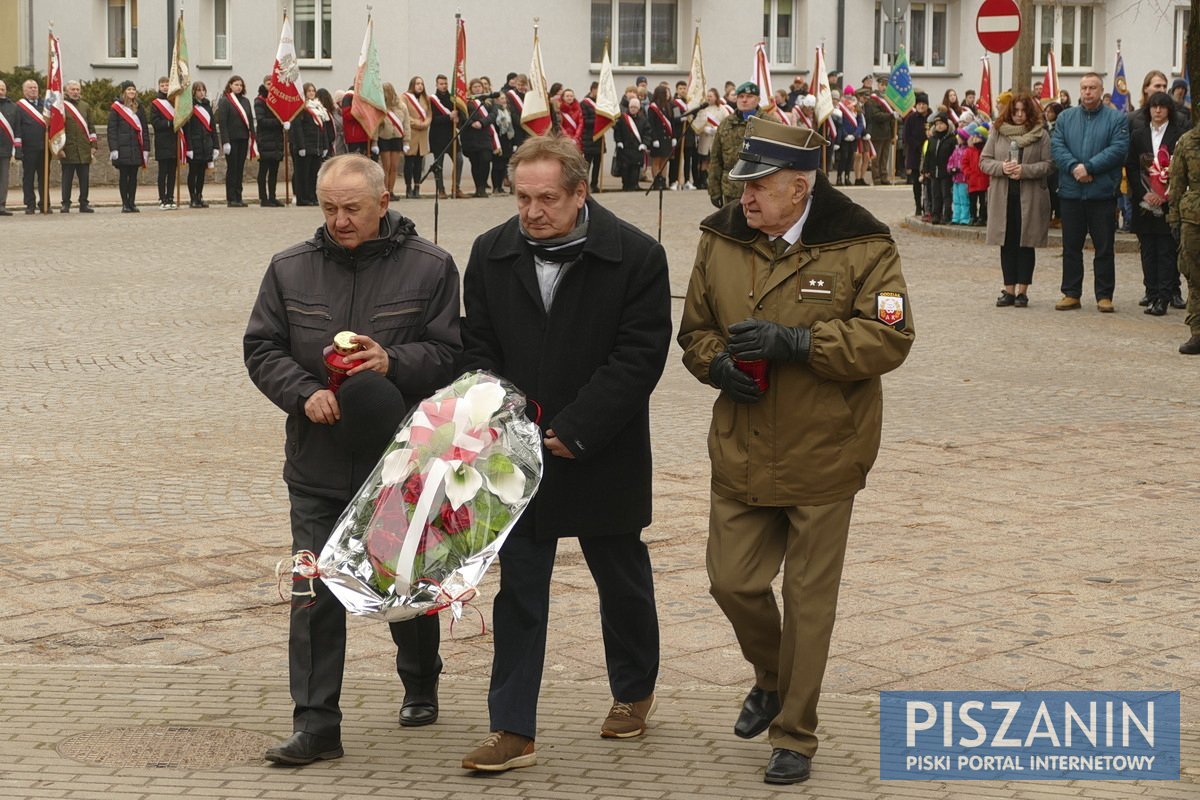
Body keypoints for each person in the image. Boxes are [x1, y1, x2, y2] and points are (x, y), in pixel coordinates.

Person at [677, 118, 914, 786]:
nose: (745, 197)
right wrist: (716, 364)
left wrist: (803, 345)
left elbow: (891, 339)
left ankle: (795, 736)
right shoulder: (720, 236)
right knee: (733, 582)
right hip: (742, 446)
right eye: (742, 184)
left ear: (801, 186)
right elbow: (695, 329)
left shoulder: (864, 243)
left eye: (759, 185)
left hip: (825, 449)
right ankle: (772, 679)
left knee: (809, 603)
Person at [457, 133, 671, 773]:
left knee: (620, 577)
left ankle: (633, 691)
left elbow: (638, 356)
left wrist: (579, 428)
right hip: (516, 452)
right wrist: (502, 415)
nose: (531, 212)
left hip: (601, 449)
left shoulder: (635, 255)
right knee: (520, 588)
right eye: (522, 197)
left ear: (582, 192)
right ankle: (512, 727)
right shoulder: (491, 252)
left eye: (547, 198)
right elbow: (478, 346)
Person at [245, 154, 461, 766]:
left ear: (384, 200)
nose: (340, 220)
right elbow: (261, 346)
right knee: (313, 594)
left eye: (353, 209)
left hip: (398, 464)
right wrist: (303, 391)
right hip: (316, 465)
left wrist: (393, 361)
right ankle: (316, 726)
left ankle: (420, 679)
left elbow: (450, 352)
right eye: (330, 209)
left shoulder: (432, 267)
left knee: (402, 580)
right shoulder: (290, 269)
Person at [1049, 73, 1129, 312]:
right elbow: (1057, 146)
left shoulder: (1116, 119)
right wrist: (1075, 167)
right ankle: (1071, 293)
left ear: (1100, 89)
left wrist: (1090, 167)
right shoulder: (1065, 117)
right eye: (1084, 87)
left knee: (1104, 248)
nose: (1087, 92)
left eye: (1092, 88)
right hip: (1071, 193)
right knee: (1071, 248)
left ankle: (1104, 295)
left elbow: (1118, 149)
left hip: (1101, 194)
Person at [979, 93, 1052, 307]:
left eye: (1023, 111)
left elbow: (1050, 164)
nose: (1019, 115)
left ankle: (1023, 291)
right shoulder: (998, 132)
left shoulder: (1040, 134)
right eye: (1015, 111)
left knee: (1025, 243)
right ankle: (1008, 289)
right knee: (1007, 242)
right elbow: (984, 161)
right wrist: (1002, 167)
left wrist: (1026, 170)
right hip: (1003, 198)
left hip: (1030, 198)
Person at [1129, 93, 1186, 316]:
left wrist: (1166, 194)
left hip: (1168, 202)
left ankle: (1164, 296)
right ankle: (1151, 293)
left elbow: (1180, 169)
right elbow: (1132, 167)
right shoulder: (1138, 134)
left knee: (1166, 251)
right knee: (1148, 251)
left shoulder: (1178, 135)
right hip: (1144, 202)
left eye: (1162, 106)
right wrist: (1146, 194)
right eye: (1154, 106)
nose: (1158, 110)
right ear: (1148, 109)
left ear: (1169, 109)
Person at [1168, 123, 1200, 353]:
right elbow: (1177, 182)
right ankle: (1197, 332)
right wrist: (1174, 218)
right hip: (1193, 218)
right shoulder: (1188, 141)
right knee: (1193, 274)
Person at [709, 82, 766, 208]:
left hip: (761, 189)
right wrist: (714, 191)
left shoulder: (769, 123)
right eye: (741, 97)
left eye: (749, 96)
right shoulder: (726, 124)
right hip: (731, 191)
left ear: (758, 99)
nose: (744, 100)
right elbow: (715, 159)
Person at [107, 80, 149, 213]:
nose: (131, 92)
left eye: (133, 89)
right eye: (129, 89)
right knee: (124, 176)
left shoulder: (139, 107)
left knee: (133, 177)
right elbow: (111, 129)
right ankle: (125, 203)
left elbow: (144, 129)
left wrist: (146, 148)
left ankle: (132, 202)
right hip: (122, 147)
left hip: (136, 147)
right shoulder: (117, 108)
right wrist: (114, 148)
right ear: (124, 91)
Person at [217, 75, 255, 207]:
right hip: (232, 140)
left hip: (243, 138)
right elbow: (223, 122)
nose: (239, 87)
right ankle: (231, 197)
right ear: (230, 85)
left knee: (240, 168)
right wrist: (225, 141)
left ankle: (239, 196)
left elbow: (250, 120)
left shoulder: (245, 101)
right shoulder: (225, 101)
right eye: (236, 85)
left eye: (241, 85)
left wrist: (253, 138)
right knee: (232, 169)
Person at [59, 79, 96, 213]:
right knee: (67, 179)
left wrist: (94, 145)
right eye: (72, 90)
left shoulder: (85, 106)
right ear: (66, 91)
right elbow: (57, 129)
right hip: (68, 149)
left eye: (77, 90)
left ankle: (84, 203)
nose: (75, 92)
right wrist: (59, 148)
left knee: (84, 179)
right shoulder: (61, 106)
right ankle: (65, 203)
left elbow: (91, 127)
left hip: (84, 148)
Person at [14, 79, 48, 213]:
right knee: (28, 177)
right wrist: (18, 148)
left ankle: (45, 203)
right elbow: (17, 128)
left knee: (44, 177)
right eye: (30, 88)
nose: (34, 90)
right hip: (28, 148)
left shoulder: (45, 105)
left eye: (35, 87)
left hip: (44, 147)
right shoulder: (19, 107)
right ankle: (30, 204)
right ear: (24, 91)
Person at [459, 78, 497, 197]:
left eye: (479, 87)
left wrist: (482, 122)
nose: (477, 89)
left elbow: (493, 115)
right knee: (475, 163)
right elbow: (463, 116)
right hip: (471, 136)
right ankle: (478, 188)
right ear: (471, 89)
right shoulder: (467, 102)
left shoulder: (489, 101)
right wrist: (472, 123)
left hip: (485, 135)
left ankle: (483, 186)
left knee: (485, 160)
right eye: (474, 87)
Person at [428, 74, 463, 199]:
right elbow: (433, 119)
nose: (444, 86)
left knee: (459, 160)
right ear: (436, 85)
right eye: (441, 84)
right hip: (438, 136)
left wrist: (457, 119)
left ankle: (456, 187)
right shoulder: (432, 100)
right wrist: (448, 117)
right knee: (439, 165)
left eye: (445, 84)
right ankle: (441, 190)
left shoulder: (453, 99)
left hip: (452, 135)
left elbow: (460, 115)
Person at [292, 83, 327, 207]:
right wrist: (301, 146)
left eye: (313, 90)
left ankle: (312, 196)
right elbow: (298, 128)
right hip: (305, 146)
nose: (311, 93)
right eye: (309, 91)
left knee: (314, 174)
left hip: (316, 146)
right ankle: (303, 198)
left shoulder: (318, 107)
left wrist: (325, 146)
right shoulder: (301, 107)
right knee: (303, 174)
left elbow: (323, 128)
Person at [182, 81, 216, 208]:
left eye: (203, 90)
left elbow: (212, 126)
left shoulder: (207, 106)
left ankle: (200, 195)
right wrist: (189, 147)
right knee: (193, 172)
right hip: (195, 144)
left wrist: (215, 145)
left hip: (206, 143)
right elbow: (188, 129)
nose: (201, 92)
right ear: (194, 92)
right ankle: (193, 197)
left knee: (202, 172)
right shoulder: (190, 106)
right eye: (198, 90)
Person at [254, 78, 285, 207]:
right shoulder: (260, 101)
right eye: (268, 84)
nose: (271, 86)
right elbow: (261, 120)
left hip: (276, 140)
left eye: (273, 84)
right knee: (263, 171)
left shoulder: (278, 100)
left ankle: (273, 196)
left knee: (274, 171)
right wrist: (279, 122)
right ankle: (263, 198)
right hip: (265, 140)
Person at [150, 76, 179, 209]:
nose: (165, 87)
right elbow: (155, 122)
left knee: (172, 172)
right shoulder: (156, 103)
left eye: (167, 85)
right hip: (162, 141)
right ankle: (162, 198)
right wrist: (170, 123)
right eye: (163, 85)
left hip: (174, 141)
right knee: (163, 172)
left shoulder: (175, 101)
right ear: (159, 87)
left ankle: (170, 197)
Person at [693, 87, 730, 192]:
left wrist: (717, 129)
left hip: (716, 138)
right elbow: (697, 122)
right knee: (704, 160)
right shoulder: (703, 109)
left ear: (716, 97)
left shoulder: (722, 109)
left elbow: (726, 122)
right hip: (704, 138)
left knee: (714, 161)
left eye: (711, 96)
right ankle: (702, 181)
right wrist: (704, 128)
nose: (709, 98)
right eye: (707, 96)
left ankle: (713, 181)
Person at [865, 76, 899, 185]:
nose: (884, 87)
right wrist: (891, 115)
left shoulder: (889, 99)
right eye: (882, 85)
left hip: (887, 133)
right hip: (877, 132)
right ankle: (876, 178)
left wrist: (894, 133)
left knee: (884, 158)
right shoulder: (872, 99)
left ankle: (884, 176)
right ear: (878, 85)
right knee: (876, 157)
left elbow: (893, 119)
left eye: (886, 85)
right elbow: (876, 115)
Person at [922, 112, 955, 224]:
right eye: (937, 124)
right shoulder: (933, 139)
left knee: (946, 194)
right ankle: (936, 214)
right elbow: (928, 155)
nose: (939, 126)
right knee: (935, 194)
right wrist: (925, 169)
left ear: (946, 124)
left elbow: (953, 156)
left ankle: (946, 215)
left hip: (945, 172)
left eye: (941, 123)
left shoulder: (951, 139)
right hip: (933, 172)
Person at [378, 82, 409, 201]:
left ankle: (391, 190)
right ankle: (385, 190)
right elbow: (376, 126)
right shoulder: (380, 106)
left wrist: (406, 141)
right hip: (384, 138)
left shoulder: (401, 106)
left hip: (397, 138)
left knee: (394, 167)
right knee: (386, 166)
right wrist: (375, 141)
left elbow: (406, 125)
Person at [402, 77, 432, 198]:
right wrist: (417, 123)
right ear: (412, 85)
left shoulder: (426, 98)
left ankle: (417, 187)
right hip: (411, 133)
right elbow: (404, 115)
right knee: (409, 162)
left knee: (419, 162)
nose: (420, 86)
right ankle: (408, 187)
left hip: (423, 134)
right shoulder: (405, 97)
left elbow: (430, 114)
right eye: (417, 83)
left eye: (422, 84)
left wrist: (426, 123)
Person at [902, 92, 930, 214]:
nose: (921, 106)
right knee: (916, 182)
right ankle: (918, 206)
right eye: (919, 104)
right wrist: (917, 145)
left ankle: (928, 205)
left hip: (929, 153)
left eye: (923, 104)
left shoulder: (931, 117)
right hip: (915, 153)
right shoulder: (911, 118)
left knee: (928, 181)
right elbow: (906, 136)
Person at [613, 96, 648, 191]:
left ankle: (634, 184)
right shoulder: (623, 118)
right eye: (631, 107)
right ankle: (626, 185)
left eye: (635, 107)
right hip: (625, 148)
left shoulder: (643, 120)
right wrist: (619, 141)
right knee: (625, 168)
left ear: (638, 108)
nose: (633, 109)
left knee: (635, 168)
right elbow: (617, 131)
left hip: (637, 148)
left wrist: (644, 143)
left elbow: (647, 132)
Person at [579, 81, 603, 192]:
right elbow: (584, 121)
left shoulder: (601, 102)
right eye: (598, 90)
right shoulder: (584, 103)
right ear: (593, 89)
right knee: (587, 164)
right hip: (589, 137)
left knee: (598, 163)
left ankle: (595, 184)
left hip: (599, 137)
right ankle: (585, 185)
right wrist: (598, 121)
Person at [0, 81, 17, 215]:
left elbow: (17, 129)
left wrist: (16, 150)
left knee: (3, 180)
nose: (1, 91)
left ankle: (1, 205)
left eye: (3, 89)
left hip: (5, 149)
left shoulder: (13, 107)